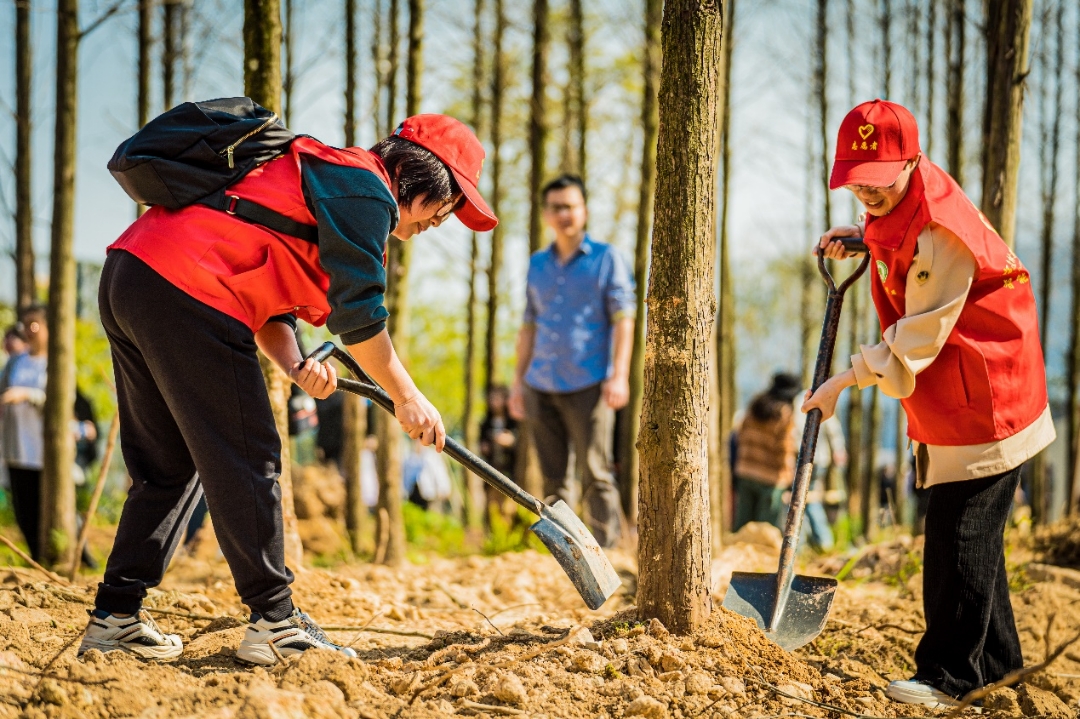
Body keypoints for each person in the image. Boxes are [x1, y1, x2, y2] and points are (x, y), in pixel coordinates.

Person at [79, 114, 497, 665]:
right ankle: (275, 621)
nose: (443, 221)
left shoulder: (327, 179)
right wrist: (407, 395)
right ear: (428, 180)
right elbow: (361, 318)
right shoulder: (365, 189)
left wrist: (297, 365)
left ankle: (115, 617)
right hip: (189, 290)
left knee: (168, 464)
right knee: (249, 455)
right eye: (450, 205)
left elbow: (269, 309)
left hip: (135, 274)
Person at [804, 100, 1054, 708]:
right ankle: (998, 666)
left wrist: (844, 381)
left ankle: (951, 677)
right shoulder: (903, 201)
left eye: (879, 181)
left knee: (957, 539)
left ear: (912, 161)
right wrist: (863, 238)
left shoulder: (943, 229)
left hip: (990, 396)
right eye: (855, 181)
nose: (867, 191)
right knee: (976, 540)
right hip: (962, 392)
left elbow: (921, 332)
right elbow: (898, 236)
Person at [507, 175, 636, 549]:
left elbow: (623, 319)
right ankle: (567, 556)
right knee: (553, 481)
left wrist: (619, 375)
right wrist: (518, 383)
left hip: (591, 382)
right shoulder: (536, 264)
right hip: (540, 383)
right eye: (556, 207)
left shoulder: (606, 258)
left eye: (570, 206)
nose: (563, 214)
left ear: (584, 211)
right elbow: (528, 326)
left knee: (597, 473)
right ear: (546, 214)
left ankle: (607, 553)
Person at [732, 373, 800, 533]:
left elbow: (741, 435)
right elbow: (785, 449)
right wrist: (789, 480)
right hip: (771, 480)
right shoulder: (784, 412)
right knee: (766, 530)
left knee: (742, 526)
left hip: (746, 472)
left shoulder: (755, 404)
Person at [479, 385, 518, 523]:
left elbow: (521, 445)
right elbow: (481, 445)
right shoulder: (485, 423)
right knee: (493, 508)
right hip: (491, 471)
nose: (494, 402)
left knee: (508, 508)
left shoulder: (514, 423)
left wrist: (511, 441)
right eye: (492, 398)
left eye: (498, 398)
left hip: (510, 472)